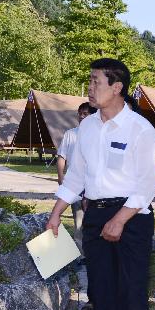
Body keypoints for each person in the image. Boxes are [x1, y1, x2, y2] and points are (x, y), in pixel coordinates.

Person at [46, 58, 155, 310]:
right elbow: (77, 176)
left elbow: (148, 182)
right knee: (103, 295)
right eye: (90, 81)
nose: (90, 87)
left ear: (117, 87)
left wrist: (121, 219)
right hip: (95, 217)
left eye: (96, 81)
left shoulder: (140, 129)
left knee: (131, 296)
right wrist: (55, 214)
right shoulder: (87, 129)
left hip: (132, 218)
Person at [55, 101, 95, 254]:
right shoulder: (70, 134)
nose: (82, 116)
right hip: (75, 185)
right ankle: (81, 254)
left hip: (94, 186)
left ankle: (95, 252)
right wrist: (61, 177)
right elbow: (61, 157)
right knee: (79, 220)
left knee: (94, 220)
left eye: (86, 113)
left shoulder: (100, 134)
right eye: (80, 113)